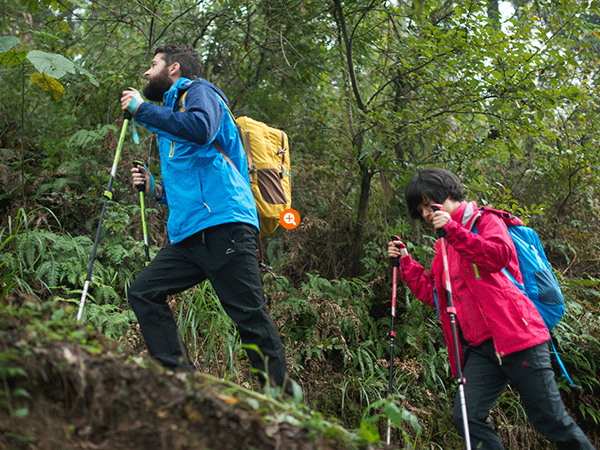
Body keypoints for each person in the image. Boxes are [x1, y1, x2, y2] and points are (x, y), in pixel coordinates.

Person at [120, 43, 295, 397]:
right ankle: (183, 381)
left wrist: (141, 110)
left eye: (153, 65)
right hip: (189, 236)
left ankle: (283, 400)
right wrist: (156, 189)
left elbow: (201, 129)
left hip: (224, 225)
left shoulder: (200, 93)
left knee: (249, 315)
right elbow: (192, 176)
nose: (145, 73)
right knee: (143, 292)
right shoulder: (171, 115)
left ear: (174, 68)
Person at [387, 167, 595, 449]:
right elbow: (435, 295)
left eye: (428, 204)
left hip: (519, 338)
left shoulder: (486, 221)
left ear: (447, 193)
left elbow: (498, 256)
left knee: (551, 419)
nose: (425, 213)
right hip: (482, 349)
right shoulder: (444, 246)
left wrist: (454, 230)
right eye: (420, 209)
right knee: (467, 418)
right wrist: (407, 262)